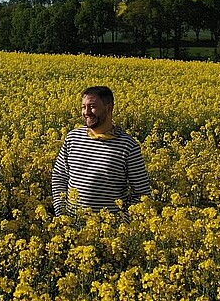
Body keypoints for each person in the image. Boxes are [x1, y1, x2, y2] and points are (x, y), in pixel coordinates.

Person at [51, 86, 151, 215]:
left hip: (109, 230)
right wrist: (61, 212)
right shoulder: (73, 138)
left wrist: (123, 223)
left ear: (109, 108)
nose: (86, 112)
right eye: (83, 107)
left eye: (92, 106)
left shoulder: (128, 146)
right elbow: (59, 176)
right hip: (72, 225)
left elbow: (142, 193)